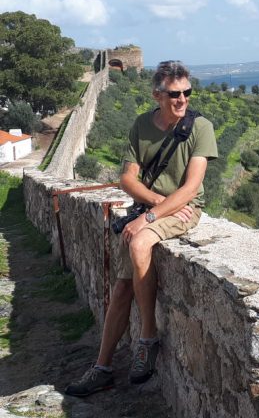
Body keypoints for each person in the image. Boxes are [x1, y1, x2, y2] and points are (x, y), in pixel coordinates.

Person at [66, 60, 218, 396]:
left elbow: (191, 189)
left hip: (183, 212)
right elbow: (126, 180)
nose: (182, 100)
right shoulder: (141, 125)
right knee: (120, 292)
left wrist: (150, 216)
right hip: (156, 208)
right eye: (175, 94)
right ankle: (102, 368)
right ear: (157, 95)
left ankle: (148, 337)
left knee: (138, 244)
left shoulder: (200, 127)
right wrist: (155, 204)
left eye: (187, 92)